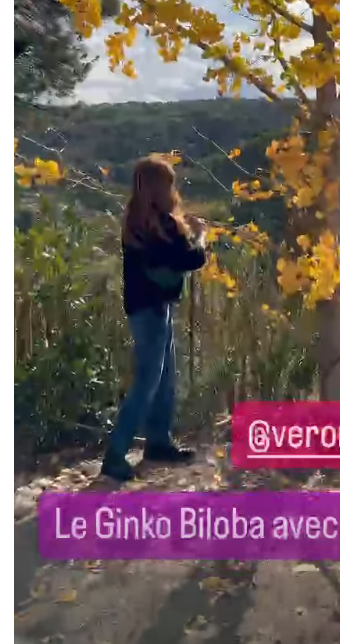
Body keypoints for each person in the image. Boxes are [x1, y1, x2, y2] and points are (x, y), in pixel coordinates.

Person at [101, 155, 207, 481]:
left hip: (145, 307)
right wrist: (201, 234)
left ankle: (158, 442)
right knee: (149, 382)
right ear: (158, 187)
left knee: (164, 380)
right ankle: (115, 455)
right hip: (153, 310)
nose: (173, 189)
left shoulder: (137, 220)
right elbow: (191, 259)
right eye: (169, 182)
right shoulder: (158, 224)